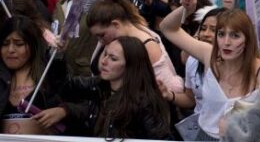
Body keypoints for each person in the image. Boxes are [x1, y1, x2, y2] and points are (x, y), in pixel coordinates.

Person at [159, 0, 260, 140]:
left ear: (248, 39)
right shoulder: (209, 55)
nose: (226, 42)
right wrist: (186, 9)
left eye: (235, 35)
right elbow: (168, 28)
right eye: (221, 34)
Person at [35, 37, 173, 139]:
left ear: (131, 66)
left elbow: (162, 139)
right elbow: (68, 87)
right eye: (105, 54)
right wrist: (57, 55)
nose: (104, 61)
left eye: (113, 58)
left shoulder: (146, 102)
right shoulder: (100, 85)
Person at [86, 0, 184, 93]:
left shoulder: (148, 46)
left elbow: (170, 88)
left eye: (102, 35)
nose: (100, 40)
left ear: (116, 24)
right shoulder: (112, 38)